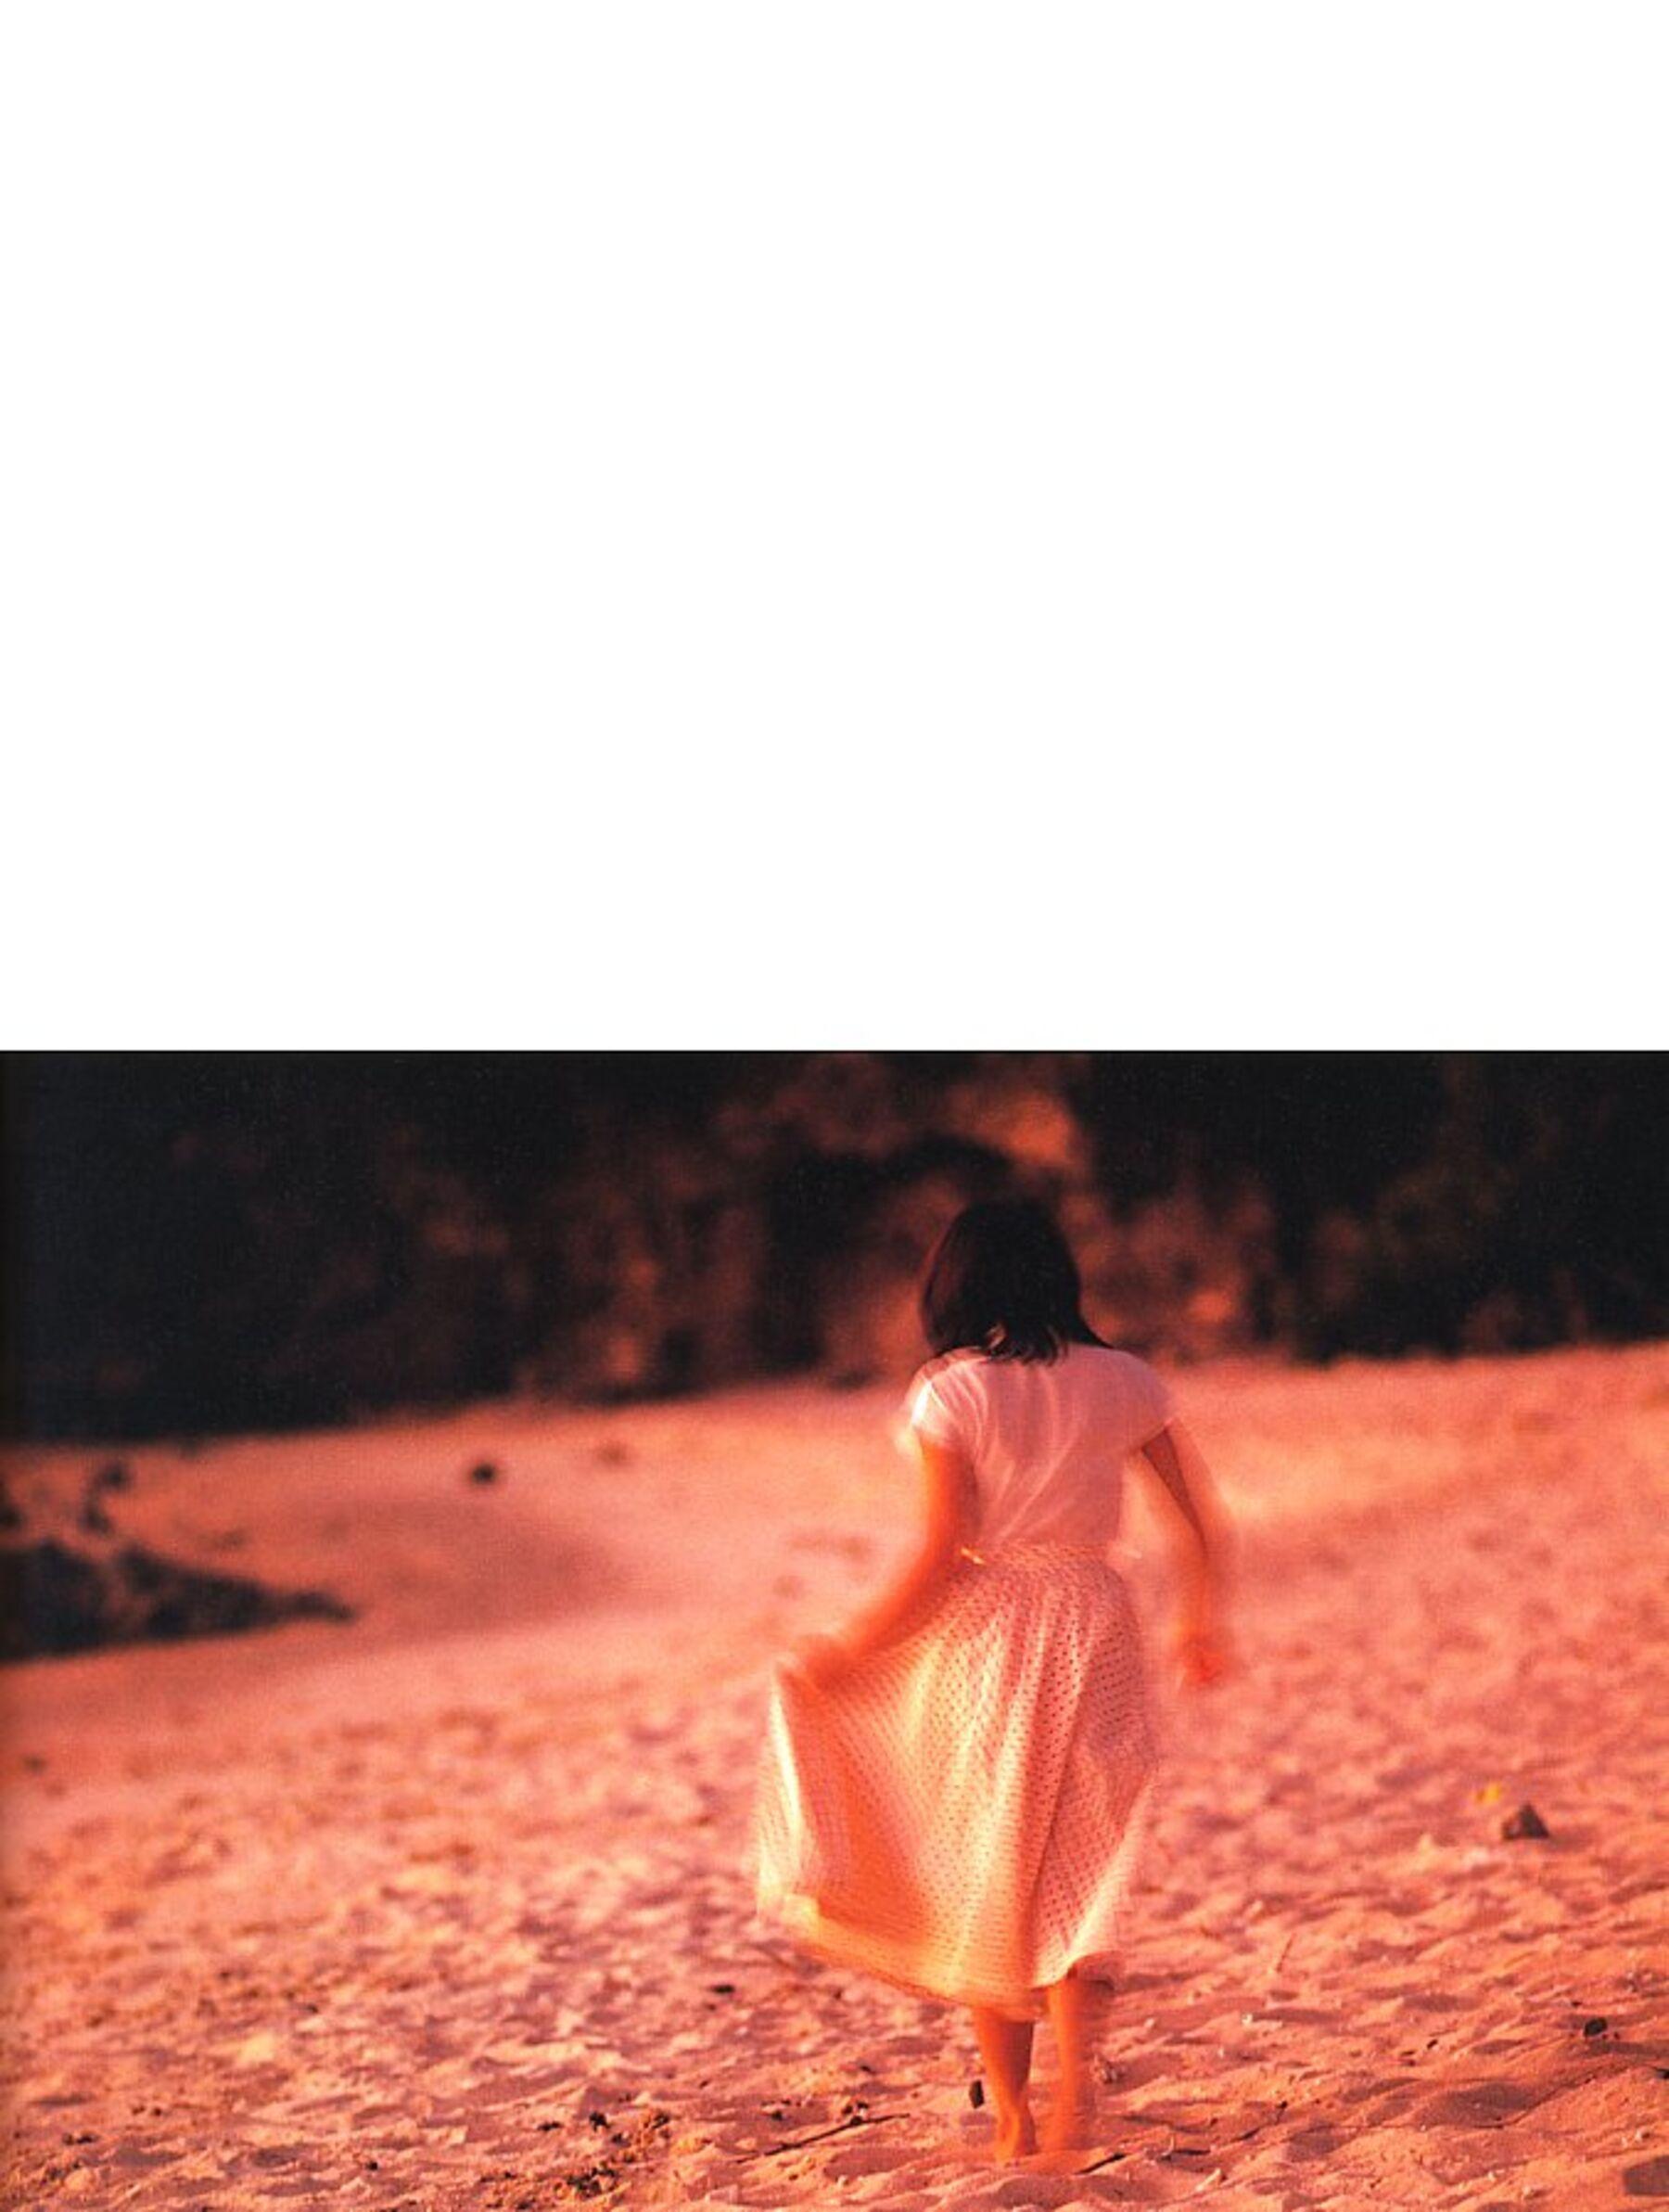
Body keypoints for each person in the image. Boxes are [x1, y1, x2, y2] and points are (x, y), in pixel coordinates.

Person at [751, 1195, 1231, 2167]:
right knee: (1084, 1871)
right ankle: (1073, 2103)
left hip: (993, 1635)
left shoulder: (952, 1392)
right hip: (1096, 1624)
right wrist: (1199, 1620)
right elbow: (1198, 1519)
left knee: (993, 1861)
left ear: (952, 1286)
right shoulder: (1125, 1379)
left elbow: (942, 1550)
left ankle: (1014, 2114)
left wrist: (850, 1647)